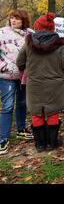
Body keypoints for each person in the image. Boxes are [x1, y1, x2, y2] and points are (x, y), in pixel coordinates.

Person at [16, 13, 64, 152]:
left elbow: (19, 62)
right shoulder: (59, 44)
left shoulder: (28, 43)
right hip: (55, 84)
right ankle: (51, 143)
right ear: (52, 28)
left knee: (37, 113)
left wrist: (28, 70)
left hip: (34, 84)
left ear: (37, 26)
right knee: (52, 112)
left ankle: (40, 145)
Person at [0, 10, 33, 155]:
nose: (13, 21)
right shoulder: (2, 33)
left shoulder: (30, 34)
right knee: (7, 105)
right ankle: (3, 138)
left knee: (22, 103)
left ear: (23, 21)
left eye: (17, 19)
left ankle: (21, 129)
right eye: (12, 18)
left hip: (24, 75)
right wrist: (3, 66)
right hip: (6, 75)